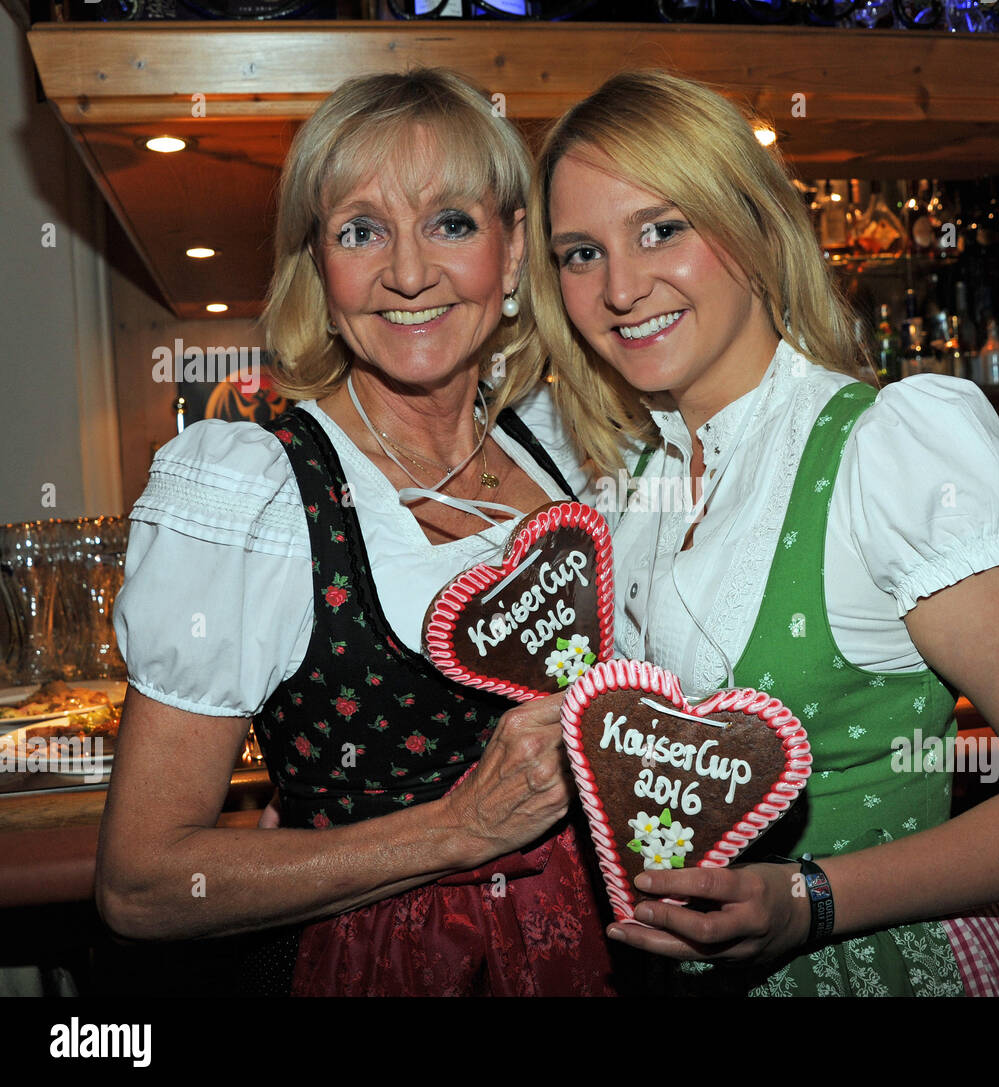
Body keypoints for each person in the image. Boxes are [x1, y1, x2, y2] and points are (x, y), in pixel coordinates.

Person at [526, 70, 999, 996]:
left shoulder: (889, 450)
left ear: (751, 227)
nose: (621, 286)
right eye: (580, 253)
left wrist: (809, 899)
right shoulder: (636, 482)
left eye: (662, 228)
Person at [96, 69, 615, 997]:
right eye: (361, 230)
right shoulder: (253, 490)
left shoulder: (568, 448)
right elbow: (142, 883)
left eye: (452, 222)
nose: (409, 273)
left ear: (514, 251)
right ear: (319, 269)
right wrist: (456, 830)